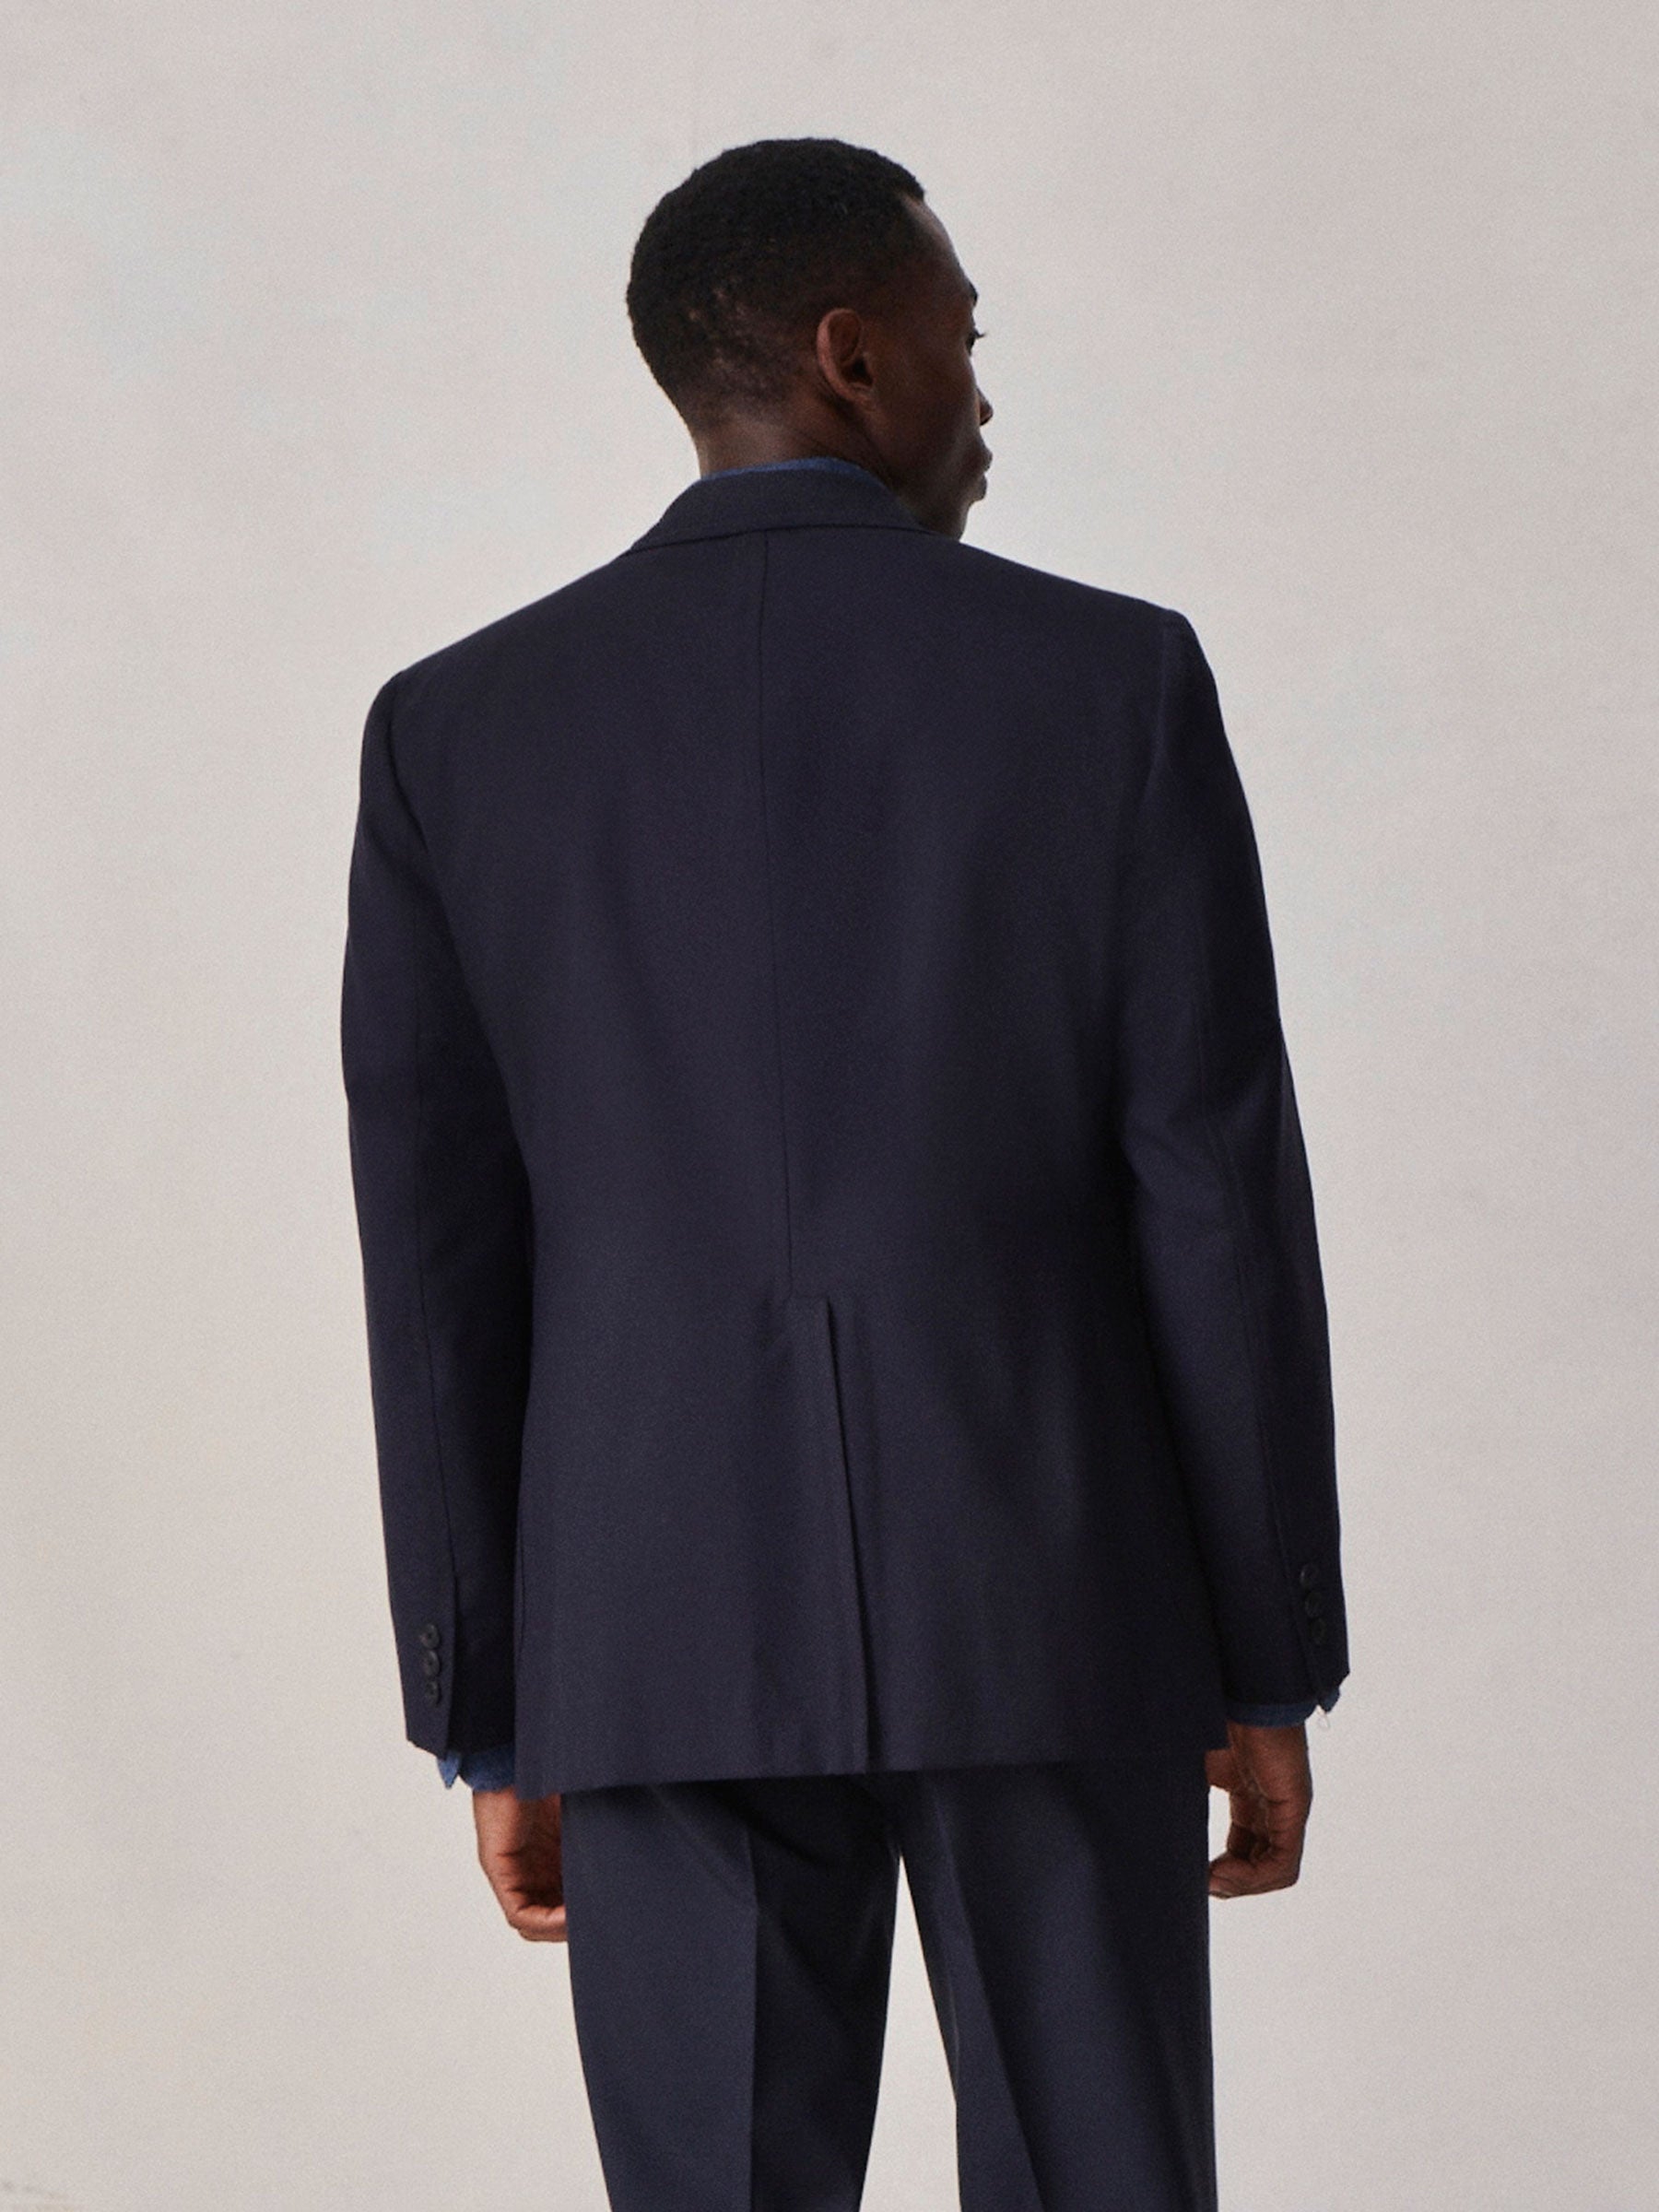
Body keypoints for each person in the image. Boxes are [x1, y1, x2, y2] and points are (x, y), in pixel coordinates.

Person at [340, 134, 1349, 2212]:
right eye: (962, 337)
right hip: (1055, 1600)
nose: (986, 393)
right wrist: (1264, 1657)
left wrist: (491, 1706)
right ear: (851, 353)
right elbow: (1214, 1198)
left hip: (652, 1621)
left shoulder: (458, 729)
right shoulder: (1113, 682)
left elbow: (437, 1260)